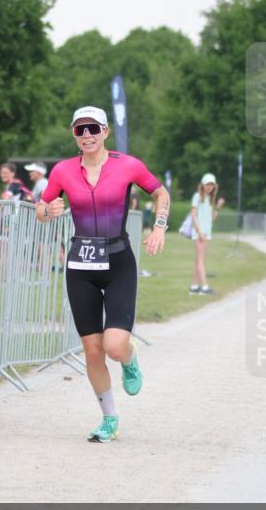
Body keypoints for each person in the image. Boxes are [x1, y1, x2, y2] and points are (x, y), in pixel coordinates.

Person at [36, 105, 169, 444]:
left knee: (113, 345)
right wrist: (47, 210)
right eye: (80, 130)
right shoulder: (63, 171)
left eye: (93, 128)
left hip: (118, 261)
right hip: (80, 266)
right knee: (92, 350)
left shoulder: (128, 165)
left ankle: (129, 357)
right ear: (74, 135)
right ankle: (109, 418)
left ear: (106, 131)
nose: (87, 136)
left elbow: (160, 192)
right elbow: (41, 208)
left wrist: (159, 227)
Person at [189, 173, 224, 295]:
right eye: (207, 184)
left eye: (212, 185)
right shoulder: (197, 196)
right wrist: (200, 233)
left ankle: (193, 287)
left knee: (199, 259)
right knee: (201, 260)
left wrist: (218, 207)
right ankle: (204, 287)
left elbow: (212, 219)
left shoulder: (210, 199)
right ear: (202, 185)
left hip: (207, 233)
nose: (209, 187)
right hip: (199, 232)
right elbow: (193, 215)